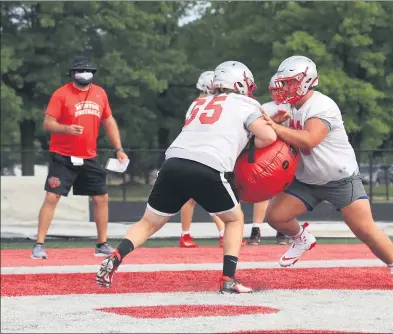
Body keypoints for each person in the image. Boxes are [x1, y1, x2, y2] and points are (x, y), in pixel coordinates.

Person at [96, 60, 277, 293]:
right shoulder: (246, 104)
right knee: (234, 219)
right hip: (209, 165)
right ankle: (228, 279)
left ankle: (115, 257)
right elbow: (269, 137)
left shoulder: (197, 104)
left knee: (148, 223)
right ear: (240, 83)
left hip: (173, 162)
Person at [262, 55, 393, 291]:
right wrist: (271, 122)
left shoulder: (322, 105)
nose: (286, 88)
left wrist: (277, 127)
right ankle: (302, 239)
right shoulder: (285, 106)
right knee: (275, 217)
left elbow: (310, 139)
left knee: (365, 230)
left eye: (291, 82)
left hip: (339, 178)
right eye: (284, 82)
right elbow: (258, 122)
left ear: (307, 81)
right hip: (306, 179)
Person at [31, 56, 128, 259]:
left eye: (89, 70)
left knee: (101, 197)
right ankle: (39, 244)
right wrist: (66, 129)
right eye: (81, 70)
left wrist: (118, 148)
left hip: (89, 156)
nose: (86, 73)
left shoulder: (100, 93)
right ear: (73, 73)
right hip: (63, 156)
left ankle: (102, 244)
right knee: (52, 196)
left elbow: (108, 120)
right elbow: (47, 123)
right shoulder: (61, 94)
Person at [179, 71, 245, 248]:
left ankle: (199, 233)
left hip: (195, 152)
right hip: (203, 153)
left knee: (199, 195)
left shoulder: (197, 104)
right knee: (199, 195)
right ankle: (220, 232)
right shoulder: (204, 103)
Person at [248, 74, 289, 245]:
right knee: (263, 190)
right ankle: (256, 228)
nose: (278, 93)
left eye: (281, 89)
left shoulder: (294, 106)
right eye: (275, 90)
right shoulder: (264, 107)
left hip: (287, 153)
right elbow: (257, 130)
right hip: (267, 152)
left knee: (285, 192)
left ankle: (282, 228)